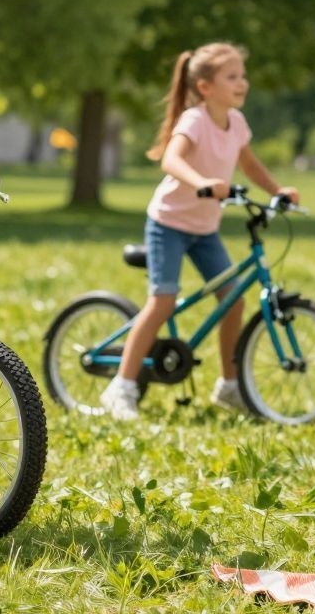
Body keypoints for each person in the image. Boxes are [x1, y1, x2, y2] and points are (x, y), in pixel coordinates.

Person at [100, 42, 295, 420]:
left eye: (243, 75)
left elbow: (250, 166)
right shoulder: (195, 120)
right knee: (163, 301)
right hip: (168, 223)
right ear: (205, 87)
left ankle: (229, 385)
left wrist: (278, 191)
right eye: (232, 76)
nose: (243, 83)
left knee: (233, 301)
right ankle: (121, 387)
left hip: (205, 229)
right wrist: (202, 181)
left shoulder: (236, 123)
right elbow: (171, 160)